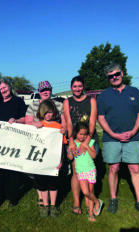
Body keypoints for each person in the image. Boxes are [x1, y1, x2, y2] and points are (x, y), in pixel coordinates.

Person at [97, 63, 139, 218]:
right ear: (107, 78)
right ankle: (113, 199)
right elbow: (101, 118)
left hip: (132, 137)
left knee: (135, 169)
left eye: (116, 74)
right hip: (111, 138)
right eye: (110, 76)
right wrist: (113, 134)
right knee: (113, 168)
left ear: (122, 73)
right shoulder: (103, 96)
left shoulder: (134, 91)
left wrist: (134, 131)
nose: (114, 78)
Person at [25, 80, 67, 208]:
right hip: (38, 143)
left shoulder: (59, 105)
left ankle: (52, 199)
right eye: (43, 90)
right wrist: (34, 124)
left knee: (53, 169)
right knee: (38, 171)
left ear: (51, 90)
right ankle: (40, 197)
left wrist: (63, 129)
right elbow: (27, 122)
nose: (46, 92)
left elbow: (65, 122)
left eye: (48, 89)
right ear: (39, 92)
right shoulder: (33, 105)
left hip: (54, 143)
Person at [63, 76, 98, 215]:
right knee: (76, 170)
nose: (77, 89)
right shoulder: (67, 102)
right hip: (74, 139)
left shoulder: (91, 100)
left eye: (79, 86)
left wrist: (85, 143)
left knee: (89, 169)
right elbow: (69, 123)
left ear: (83, 86)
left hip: (89, 139)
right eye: (74, 86)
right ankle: (77, 202)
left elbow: (92, 124)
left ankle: (92, 201)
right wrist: (71, 141)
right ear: (71, 87)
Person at [0, 79, 26, 207]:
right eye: (0, 89)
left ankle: (13, 198)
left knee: (13, 169)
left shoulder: (18, 101)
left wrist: (16, 120)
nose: (3, 90)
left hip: (14, 141)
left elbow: (25, 118)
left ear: (10, 87)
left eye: (4, 87)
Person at [35, 99, 67, 218]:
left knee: (53, 184)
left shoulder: (58, 127)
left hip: (54, 161)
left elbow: (62, 147)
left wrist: (61, 160)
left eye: (50, 112)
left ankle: (53, 206)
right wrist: (34, 124)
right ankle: (45, 205)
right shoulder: (38, 126)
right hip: (41, 161)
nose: (48, 114)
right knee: (42, 184)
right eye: (46, 112)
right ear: (41, 112)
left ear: (54, 113)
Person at [67, 121, 103, 222]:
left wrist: (87, 146)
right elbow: (70, 157)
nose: (82, 136)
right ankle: (97, 202)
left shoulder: (90, 142)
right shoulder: (73, 144)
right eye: (80, 134)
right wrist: (70, 150)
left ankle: (91, 214)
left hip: (90, 170)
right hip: (81, 172)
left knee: (90, 191)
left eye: (85, 134)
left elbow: (94, 156)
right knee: (86, 192)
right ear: (76, 133)